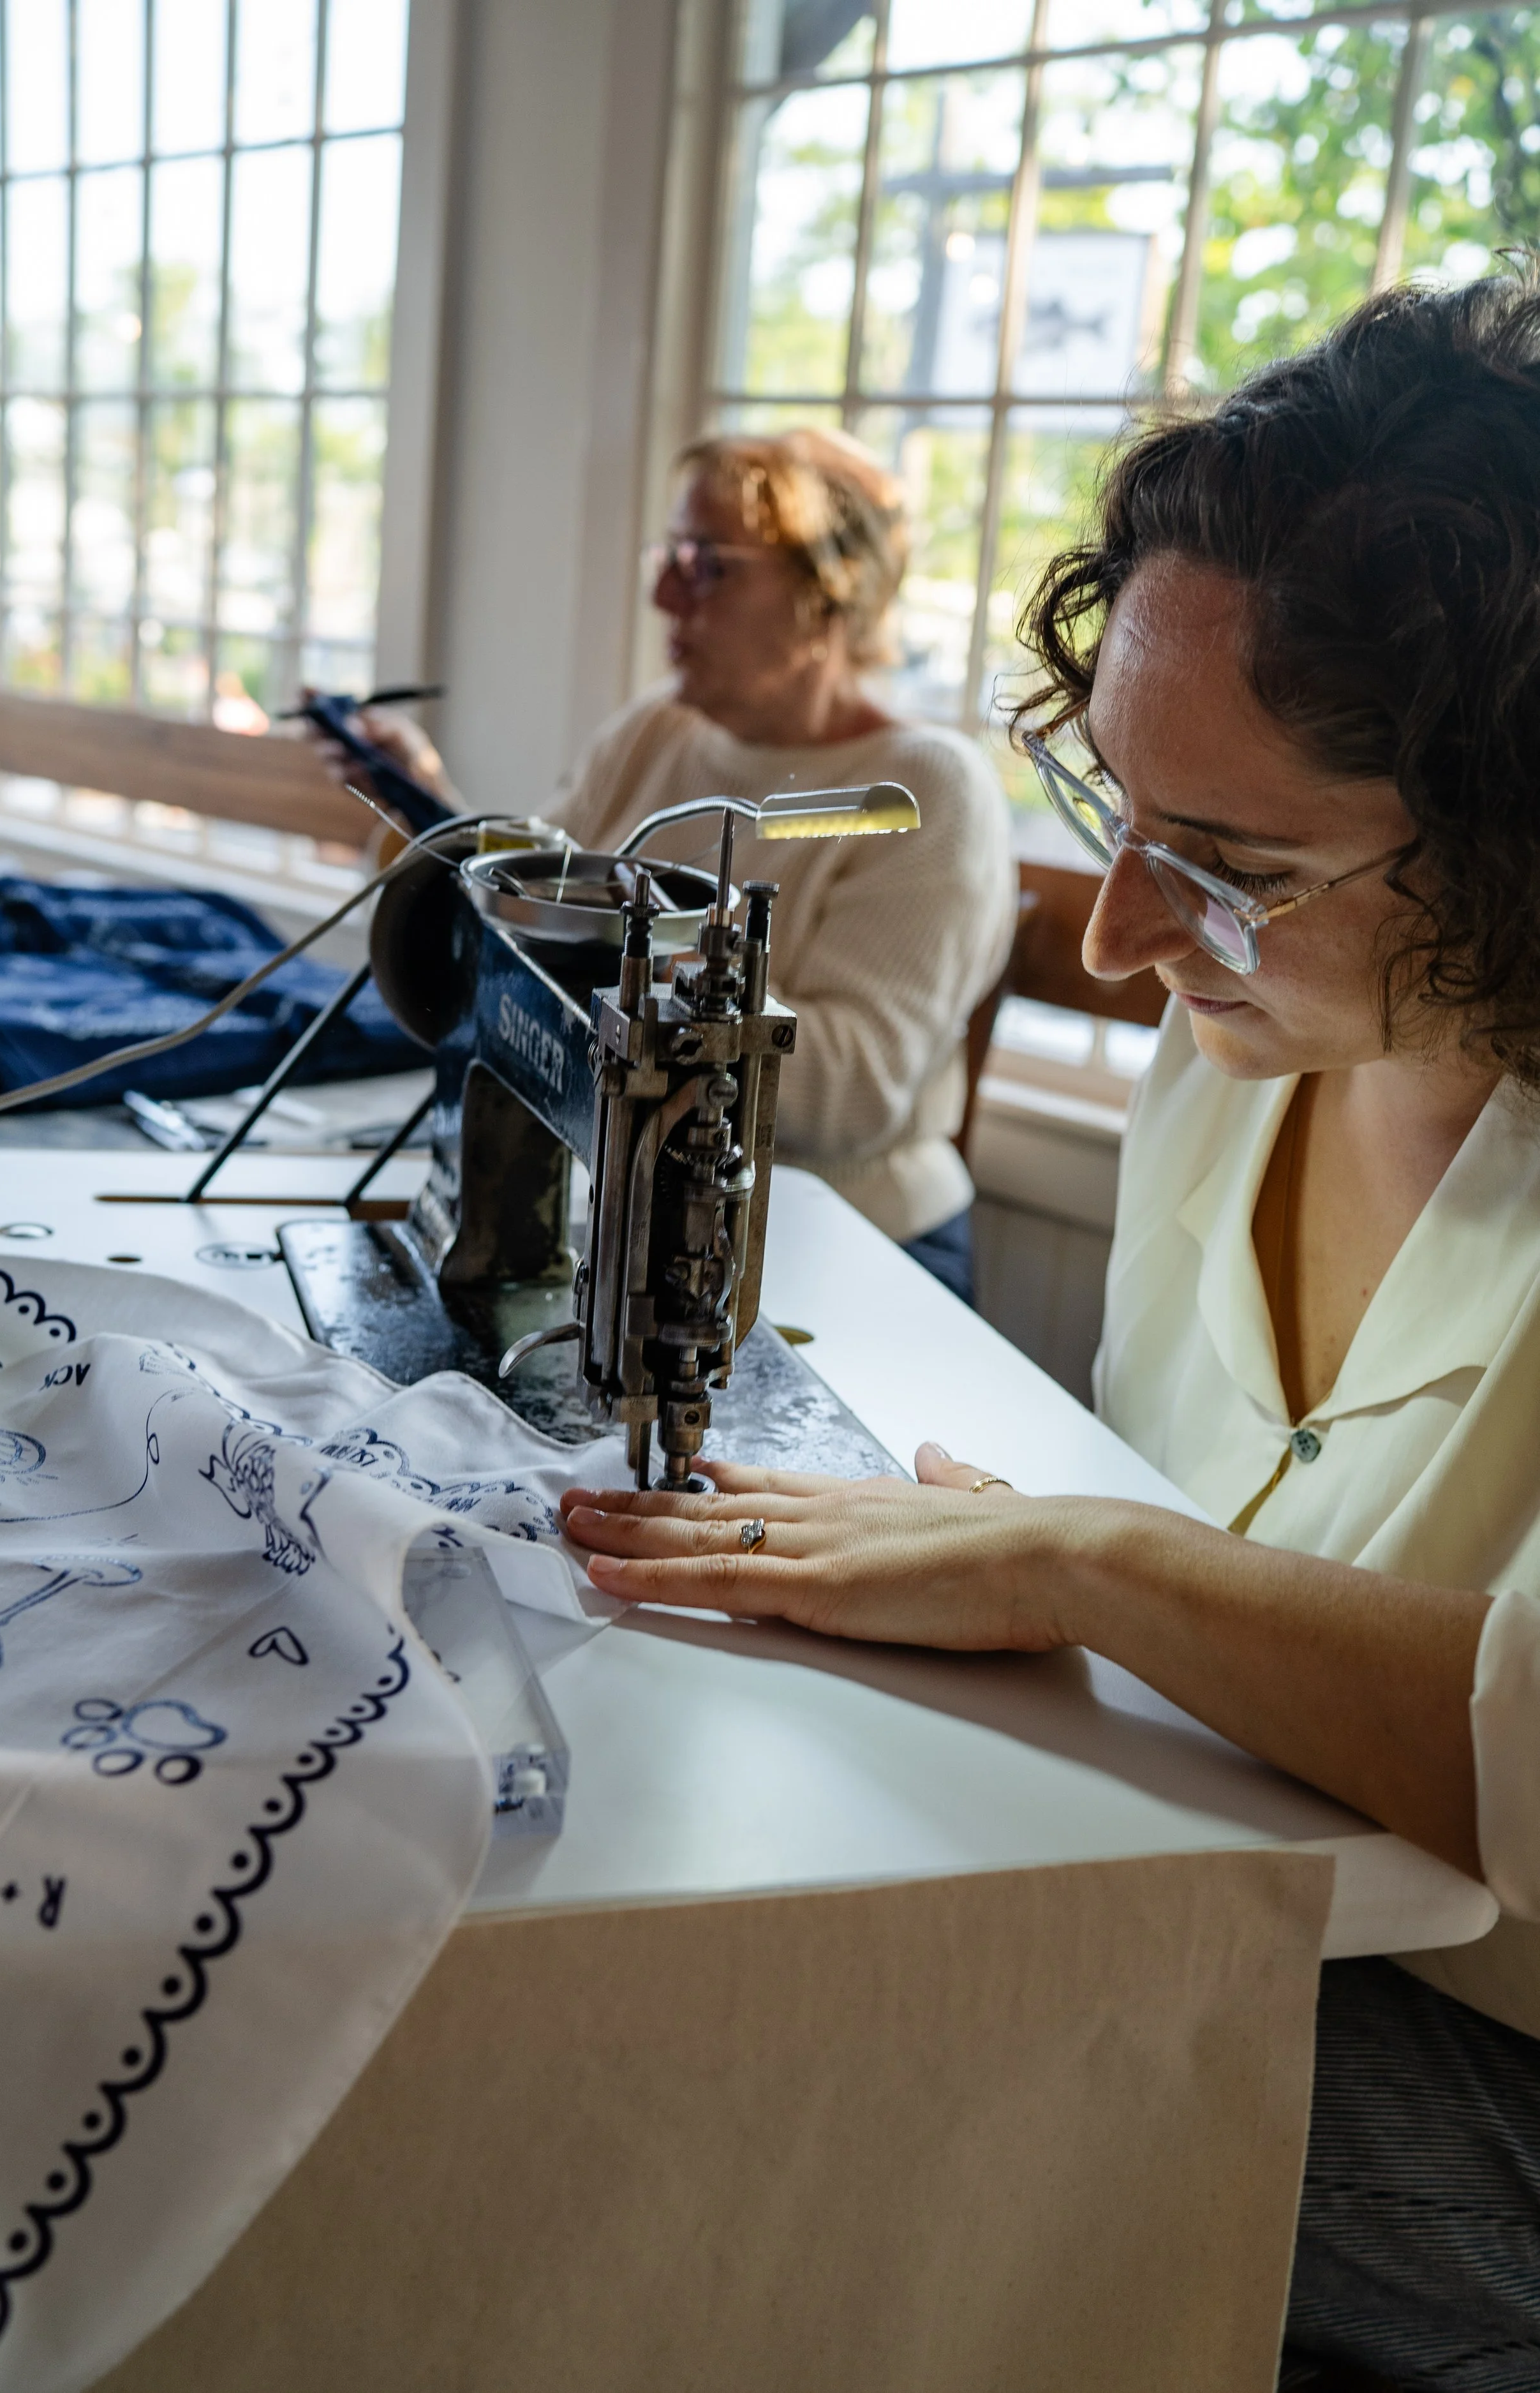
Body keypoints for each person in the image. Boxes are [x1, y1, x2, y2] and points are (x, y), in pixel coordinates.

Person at [559, 270, 1540, 2392]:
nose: (1113, 937)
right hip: (1249, 1886)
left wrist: (1087, 1567)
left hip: (1491, 2084)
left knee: (737, 2096)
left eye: (1233, 863)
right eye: (1117, 816)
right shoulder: (1244, 1057)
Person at [340, 429, 1014, 1302]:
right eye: (672, 555)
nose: (663, 593)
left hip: (845, 1244)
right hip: (640, 1223)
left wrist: (623, 969)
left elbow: (855, 1094)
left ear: (828, 589)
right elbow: (539, 908)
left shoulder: (925, 791)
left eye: (708, 565)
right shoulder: (662, 729)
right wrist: (428, 810)